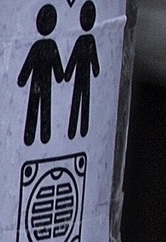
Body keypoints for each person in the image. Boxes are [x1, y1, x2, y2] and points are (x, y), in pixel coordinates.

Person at [18, 4, 65, 146]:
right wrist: (60, 76)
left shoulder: (40, 46)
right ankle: (43, 135)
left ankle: (32, 135)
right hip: (44, 82)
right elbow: (58, 69)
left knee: (37, 104)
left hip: (38, 81)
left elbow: (28, 66)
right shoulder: (50, 46)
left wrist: (22, 79)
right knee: (44, 105)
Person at [65, 1, 101, 139]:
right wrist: (67, 73)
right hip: (82, 76)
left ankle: (78, 129)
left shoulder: (86, 40)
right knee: (80, 100)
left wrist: (67, 74)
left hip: (82, 76)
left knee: (82, 100)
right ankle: (75, 129)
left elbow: (92, 57)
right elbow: (74, 57)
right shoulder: (84, 40)